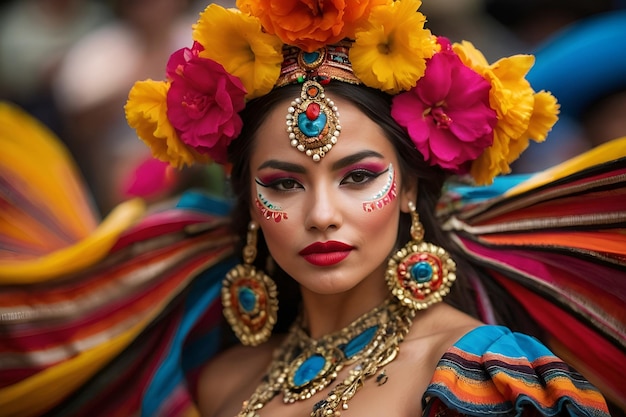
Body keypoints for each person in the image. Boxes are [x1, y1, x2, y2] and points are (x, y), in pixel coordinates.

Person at [0, 1, 624, 417]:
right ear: (248, 199)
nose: (322, 213)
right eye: (284, 184)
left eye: (357, 177)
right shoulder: (220, 383)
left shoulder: (487, 374)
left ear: (409, 188)